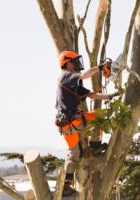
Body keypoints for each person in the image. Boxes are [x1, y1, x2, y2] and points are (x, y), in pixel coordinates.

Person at [55, 51, 119, 191]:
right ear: (68, 63)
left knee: (74, 154)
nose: (78, 64)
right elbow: (84, 75)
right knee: (99, 116)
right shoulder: (66, 76)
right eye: (75, 61)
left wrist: (111, 96)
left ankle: (66, 184)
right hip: (71, 122)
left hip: (66, 124)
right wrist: (100, 67)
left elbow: (92, 95)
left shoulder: (71, 84)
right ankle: (95, 145)